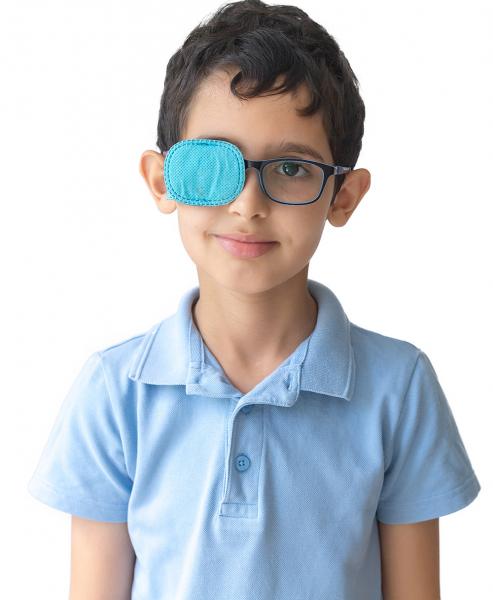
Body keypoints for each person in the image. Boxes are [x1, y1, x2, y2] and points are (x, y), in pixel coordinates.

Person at [27, 1, 481, 598]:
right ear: (163, 181)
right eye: (214, 162)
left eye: (291, 166)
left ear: (343, 196)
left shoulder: (399, 387)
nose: (247, 204)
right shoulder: (116, 390)